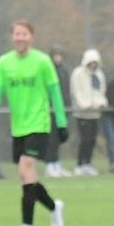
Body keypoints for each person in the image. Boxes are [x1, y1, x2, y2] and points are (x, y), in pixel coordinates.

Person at [0, 20, 69, 226]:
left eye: (24, 34)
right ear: (12, 37)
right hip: (18, 127)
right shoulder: (4, 62)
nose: (20, 37)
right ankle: (54, 207)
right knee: (27, 176)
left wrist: (61, 123)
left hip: (39, 124)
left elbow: (55, 94)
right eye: (17, 34)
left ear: (31, 37)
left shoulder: (43, 61)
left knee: (26, 168)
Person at [69, 48, 107, 176]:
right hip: (82, 113)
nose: (93, 65)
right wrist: (84, 104)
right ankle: (80, 164)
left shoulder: (99, 75)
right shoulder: (78, 73)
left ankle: (88, 164)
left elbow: (100, 92)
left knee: (92, 139)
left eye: (95, 63)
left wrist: (101, 103)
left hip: (95, 113)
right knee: (84, 139)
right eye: (91, 63)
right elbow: (76, 91)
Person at [46, 47, 71, 177]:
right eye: (55, 56)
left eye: (59, 55)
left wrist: (67, 107)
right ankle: (50, 165)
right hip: (51, 111)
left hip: (62, 110)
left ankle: (56, 164)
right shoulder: (48, 71)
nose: (58, 58)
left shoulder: (63, 72)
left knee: (58, 138)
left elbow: (66, 91)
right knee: (51, 138)